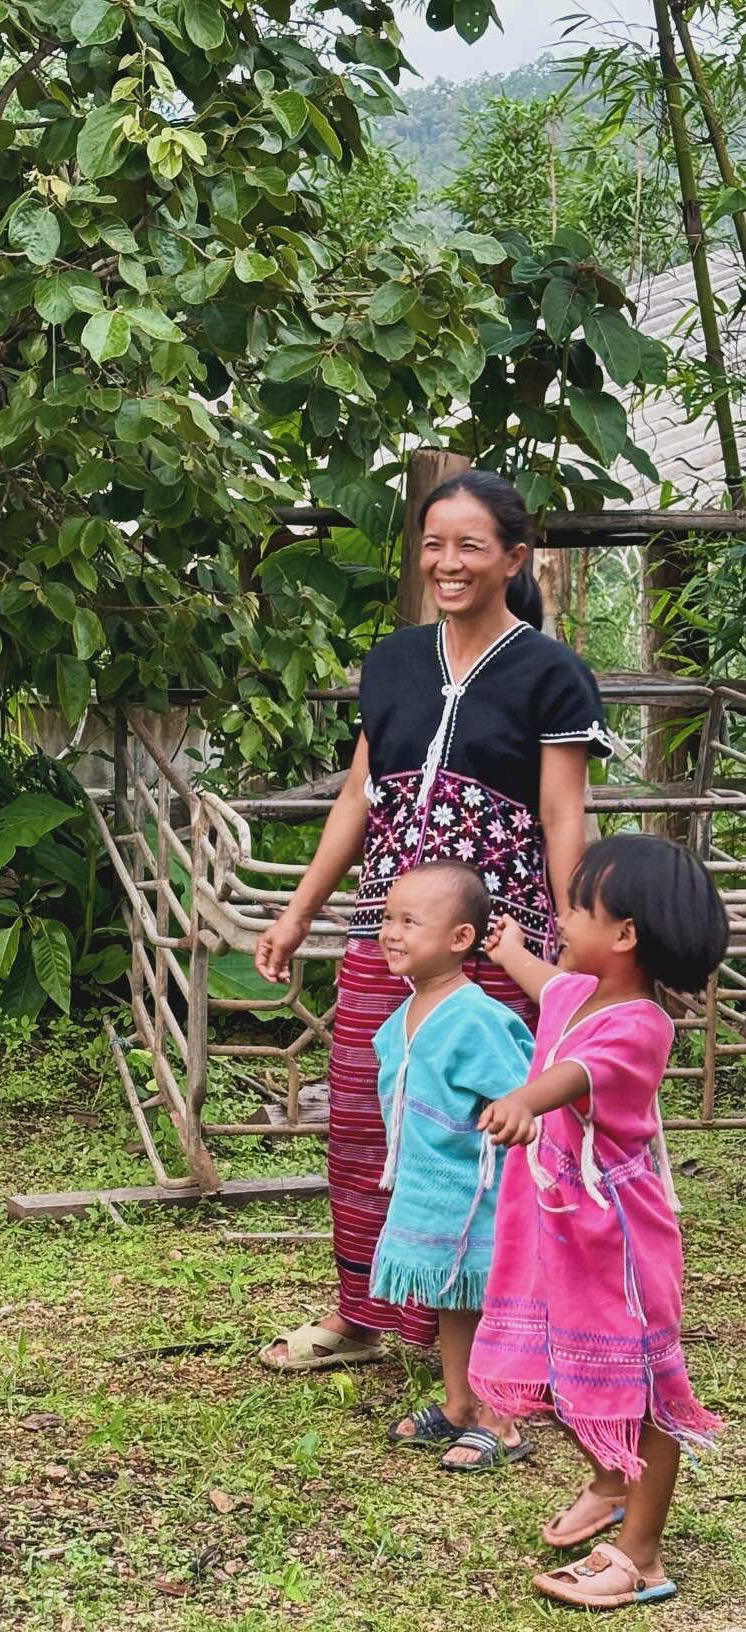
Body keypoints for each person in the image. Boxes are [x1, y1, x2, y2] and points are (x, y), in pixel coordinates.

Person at [255, 469, 609, 1372]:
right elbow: (357, 799)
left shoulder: (552, 673)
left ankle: (497, 1333)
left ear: (513, 558)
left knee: (474, 1128)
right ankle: (362, 1315)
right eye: (434, 544)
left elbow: (565, 814)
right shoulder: (393, 660)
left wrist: (572, 935)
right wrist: (300, 913)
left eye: (471, 546)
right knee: (368, 1120)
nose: (447, 564)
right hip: (391, 930)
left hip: (492, 940)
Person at [472, 835, 726, 1608]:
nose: (561, 915)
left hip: (619, 1234)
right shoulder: (580, 992)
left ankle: (641, 1555)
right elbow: (549, 989)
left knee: (645, 1386)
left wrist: (524, 1099)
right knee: (581, 1364)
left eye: (578, 908)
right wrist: (512, 949)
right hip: (558, 1223)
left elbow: (579, 1071)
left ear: (624, 937)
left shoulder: (642, 1024)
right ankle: (611, 1481)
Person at [368, 862, 534, 1469]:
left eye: (409, 921)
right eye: (388, 918)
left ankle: (505, 1418)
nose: (391, 932)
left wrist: (515, 1119)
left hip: (484, 1195)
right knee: (454, 1296)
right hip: (432, 1191)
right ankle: (462, 1404)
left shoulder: (477, 1018)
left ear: (460, 939)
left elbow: (525, 1096)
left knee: (496, 1299)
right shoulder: (401, 1019)